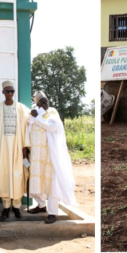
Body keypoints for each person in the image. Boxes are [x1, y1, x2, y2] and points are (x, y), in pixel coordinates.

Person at [26, 91, 77, 224]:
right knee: (36, 181)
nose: (46, 103)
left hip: (51, 155)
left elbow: (53, 128)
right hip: (36, 156)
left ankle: (53, 212)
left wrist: (38, 118)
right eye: (42, 101)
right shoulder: (33, 113)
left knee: (52, 183)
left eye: (46, 100)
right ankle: (41, 205)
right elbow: (27, 130)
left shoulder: (52, 112)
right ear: (37, 103)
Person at [0, 81, 30, 219]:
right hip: (2, 147)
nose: (10, 94)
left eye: (12, 91)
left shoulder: (22, 108)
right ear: (3, 92)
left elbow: (26, 128)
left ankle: (17, 207)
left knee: (17, 174)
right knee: (4, 174)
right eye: (7, 91)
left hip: (18, 147)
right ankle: (6, 207)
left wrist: (25, 147)